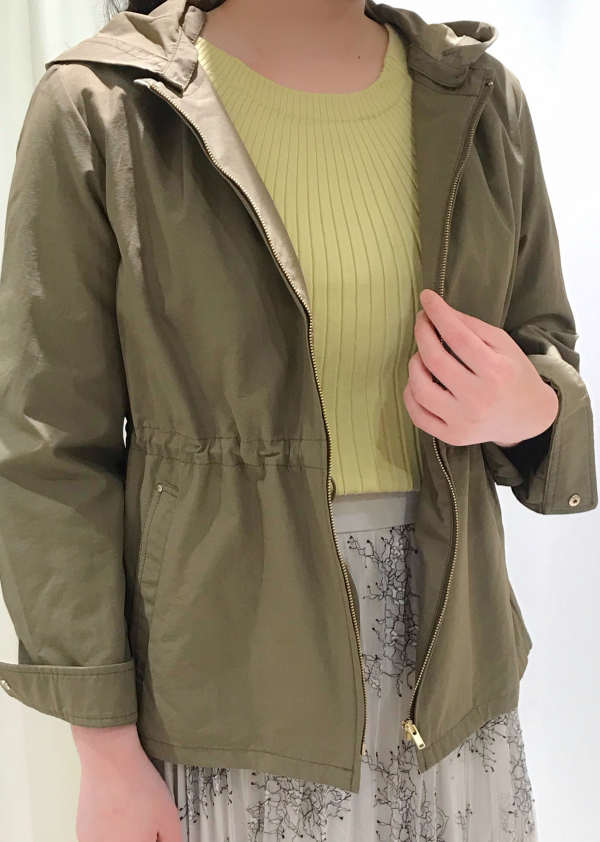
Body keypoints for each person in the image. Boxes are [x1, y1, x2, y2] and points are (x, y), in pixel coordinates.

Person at [0, 0, 596, 840]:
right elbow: (48, 450)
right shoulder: (105, 103)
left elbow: (544, 343)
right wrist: (104, 754)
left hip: (455, 679)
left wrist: (532, 408)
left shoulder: (479, 95)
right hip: (230, 693)